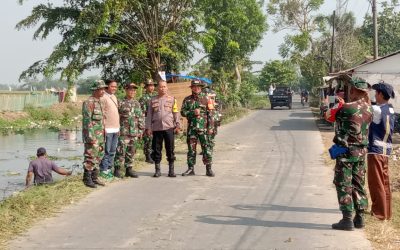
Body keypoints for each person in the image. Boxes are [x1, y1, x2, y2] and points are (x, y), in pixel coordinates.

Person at [325, 77, 373, 231]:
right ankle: (360, 218)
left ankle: (347, 219)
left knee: (344, 183)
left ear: (352, 90)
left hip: (346, 152)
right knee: (358, 183)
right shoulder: (369, 109)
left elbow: (328, 117)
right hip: (361, 152)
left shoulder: (346, 108)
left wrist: (336, 105)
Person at [367, 82, 395, 221]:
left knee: (375, 182)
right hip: (385, 151)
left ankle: (379, 213)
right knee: (384, 182)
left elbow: (364, 106)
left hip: (375, 151)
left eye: (376, 92)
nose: (374, 95)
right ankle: (386, 212)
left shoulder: (377, 110)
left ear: (380, 94)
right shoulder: (390, 110)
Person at [145, 80, 181, 177]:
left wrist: (178, 125)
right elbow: (149, 115)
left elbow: (176, 113)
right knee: (156, 149)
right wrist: (148, 127)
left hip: (169, 127)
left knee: (170, 149)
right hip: (156, 128)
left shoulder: (172, 99)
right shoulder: (152, 100)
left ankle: (171, 170)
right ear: (158, 88)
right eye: (161, 87)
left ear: (167, 88)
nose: (163, 88)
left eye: (164, 86)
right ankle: (157, 170)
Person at [181, 79, 214, 177]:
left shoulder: (207, 99)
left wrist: (211, 127)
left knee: (206, 148)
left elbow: (211, 114)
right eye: (194, 87)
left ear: (201, 88)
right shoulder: (187, 100)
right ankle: (191, 169)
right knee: (191, 149)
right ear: (192, 88)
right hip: (192, 128)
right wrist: (192, 112)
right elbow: (182, 112)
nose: (196, 88)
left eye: (198, 87)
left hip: (204, 129)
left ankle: (209, 169)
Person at [114, 83, 144, 178]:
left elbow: (140, 117)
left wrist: (140, 130)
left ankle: (129, 169)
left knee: (131, 151)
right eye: (130, 90)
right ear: (126, 90)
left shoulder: (137, 103)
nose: (133, 91)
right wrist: (117, 128)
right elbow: (116, 117)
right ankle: (117, 169)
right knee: (121, 151)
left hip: (134, 131)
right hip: (124, 131)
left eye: (134, 90)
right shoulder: (120, 102)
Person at [82, 80, 107, 188]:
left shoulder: (101, 102)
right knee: (90, 156)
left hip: (101, 135)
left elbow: (101, 120)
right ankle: (87, 179)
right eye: (101, 89)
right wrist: (91, 137)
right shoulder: (89, 102)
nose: (103, 91)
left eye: (103, 89)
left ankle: (95, 177)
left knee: (99, 156)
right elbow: (87, 121)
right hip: (92, 136)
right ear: (95, 90)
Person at [99, 79, 120, 179]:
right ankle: (103, 170)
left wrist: (118, 127)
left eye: (115, 87)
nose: (114, 88)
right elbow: (102, 114)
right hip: (107, 129)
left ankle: (108, 169)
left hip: (115, 128)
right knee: (106, 151)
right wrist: (103, 128)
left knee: (112, 151)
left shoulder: (114, 97)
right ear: (107, 86)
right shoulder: (103, 97)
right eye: (112, 86)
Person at [139, 79, 157, 164]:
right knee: (148, 139)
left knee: (155, 139)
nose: (151, 87)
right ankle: (147, 156)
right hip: (147, 120)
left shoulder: (156, 96)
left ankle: (154, 154)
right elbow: (142, 111)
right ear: (146, 87)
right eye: (149, 85)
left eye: (153, 85)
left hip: (156, 121)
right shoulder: (143, 98)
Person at [202, 84, 222, 153]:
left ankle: (209, 147)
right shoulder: (213, 93)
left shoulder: (204, 93)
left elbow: (219, 104)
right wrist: (219, 115)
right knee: (211, 131)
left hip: (210, 115)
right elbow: (219, 104)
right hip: (212, 115)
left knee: (208, 132)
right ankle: (209, 147)